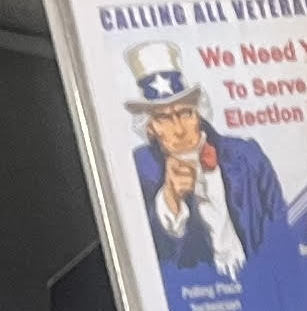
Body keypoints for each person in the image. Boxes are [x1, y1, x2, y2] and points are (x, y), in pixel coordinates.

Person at [123, 44, 288, 283]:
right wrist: (170, 199)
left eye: (185, 114)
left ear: (199, 113)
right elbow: (147, 261)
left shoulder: (246, 155)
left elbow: (279, 226)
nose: (179, 130)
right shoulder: (138, 170)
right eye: (164, 118)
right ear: (150, 127)